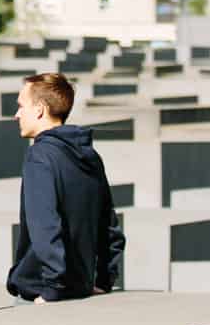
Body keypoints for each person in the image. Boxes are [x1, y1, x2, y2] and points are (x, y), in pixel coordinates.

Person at [6, 72, 124, 302]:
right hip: (82, 286)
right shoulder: (89, 155)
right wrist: (104, 280)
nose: (16, 114)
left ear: (40, 109)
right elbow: (109, 226)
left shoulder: (39, 156)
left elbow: (45, 224)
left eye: (21, 106)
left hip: (43, 290)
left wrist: (52, 288)